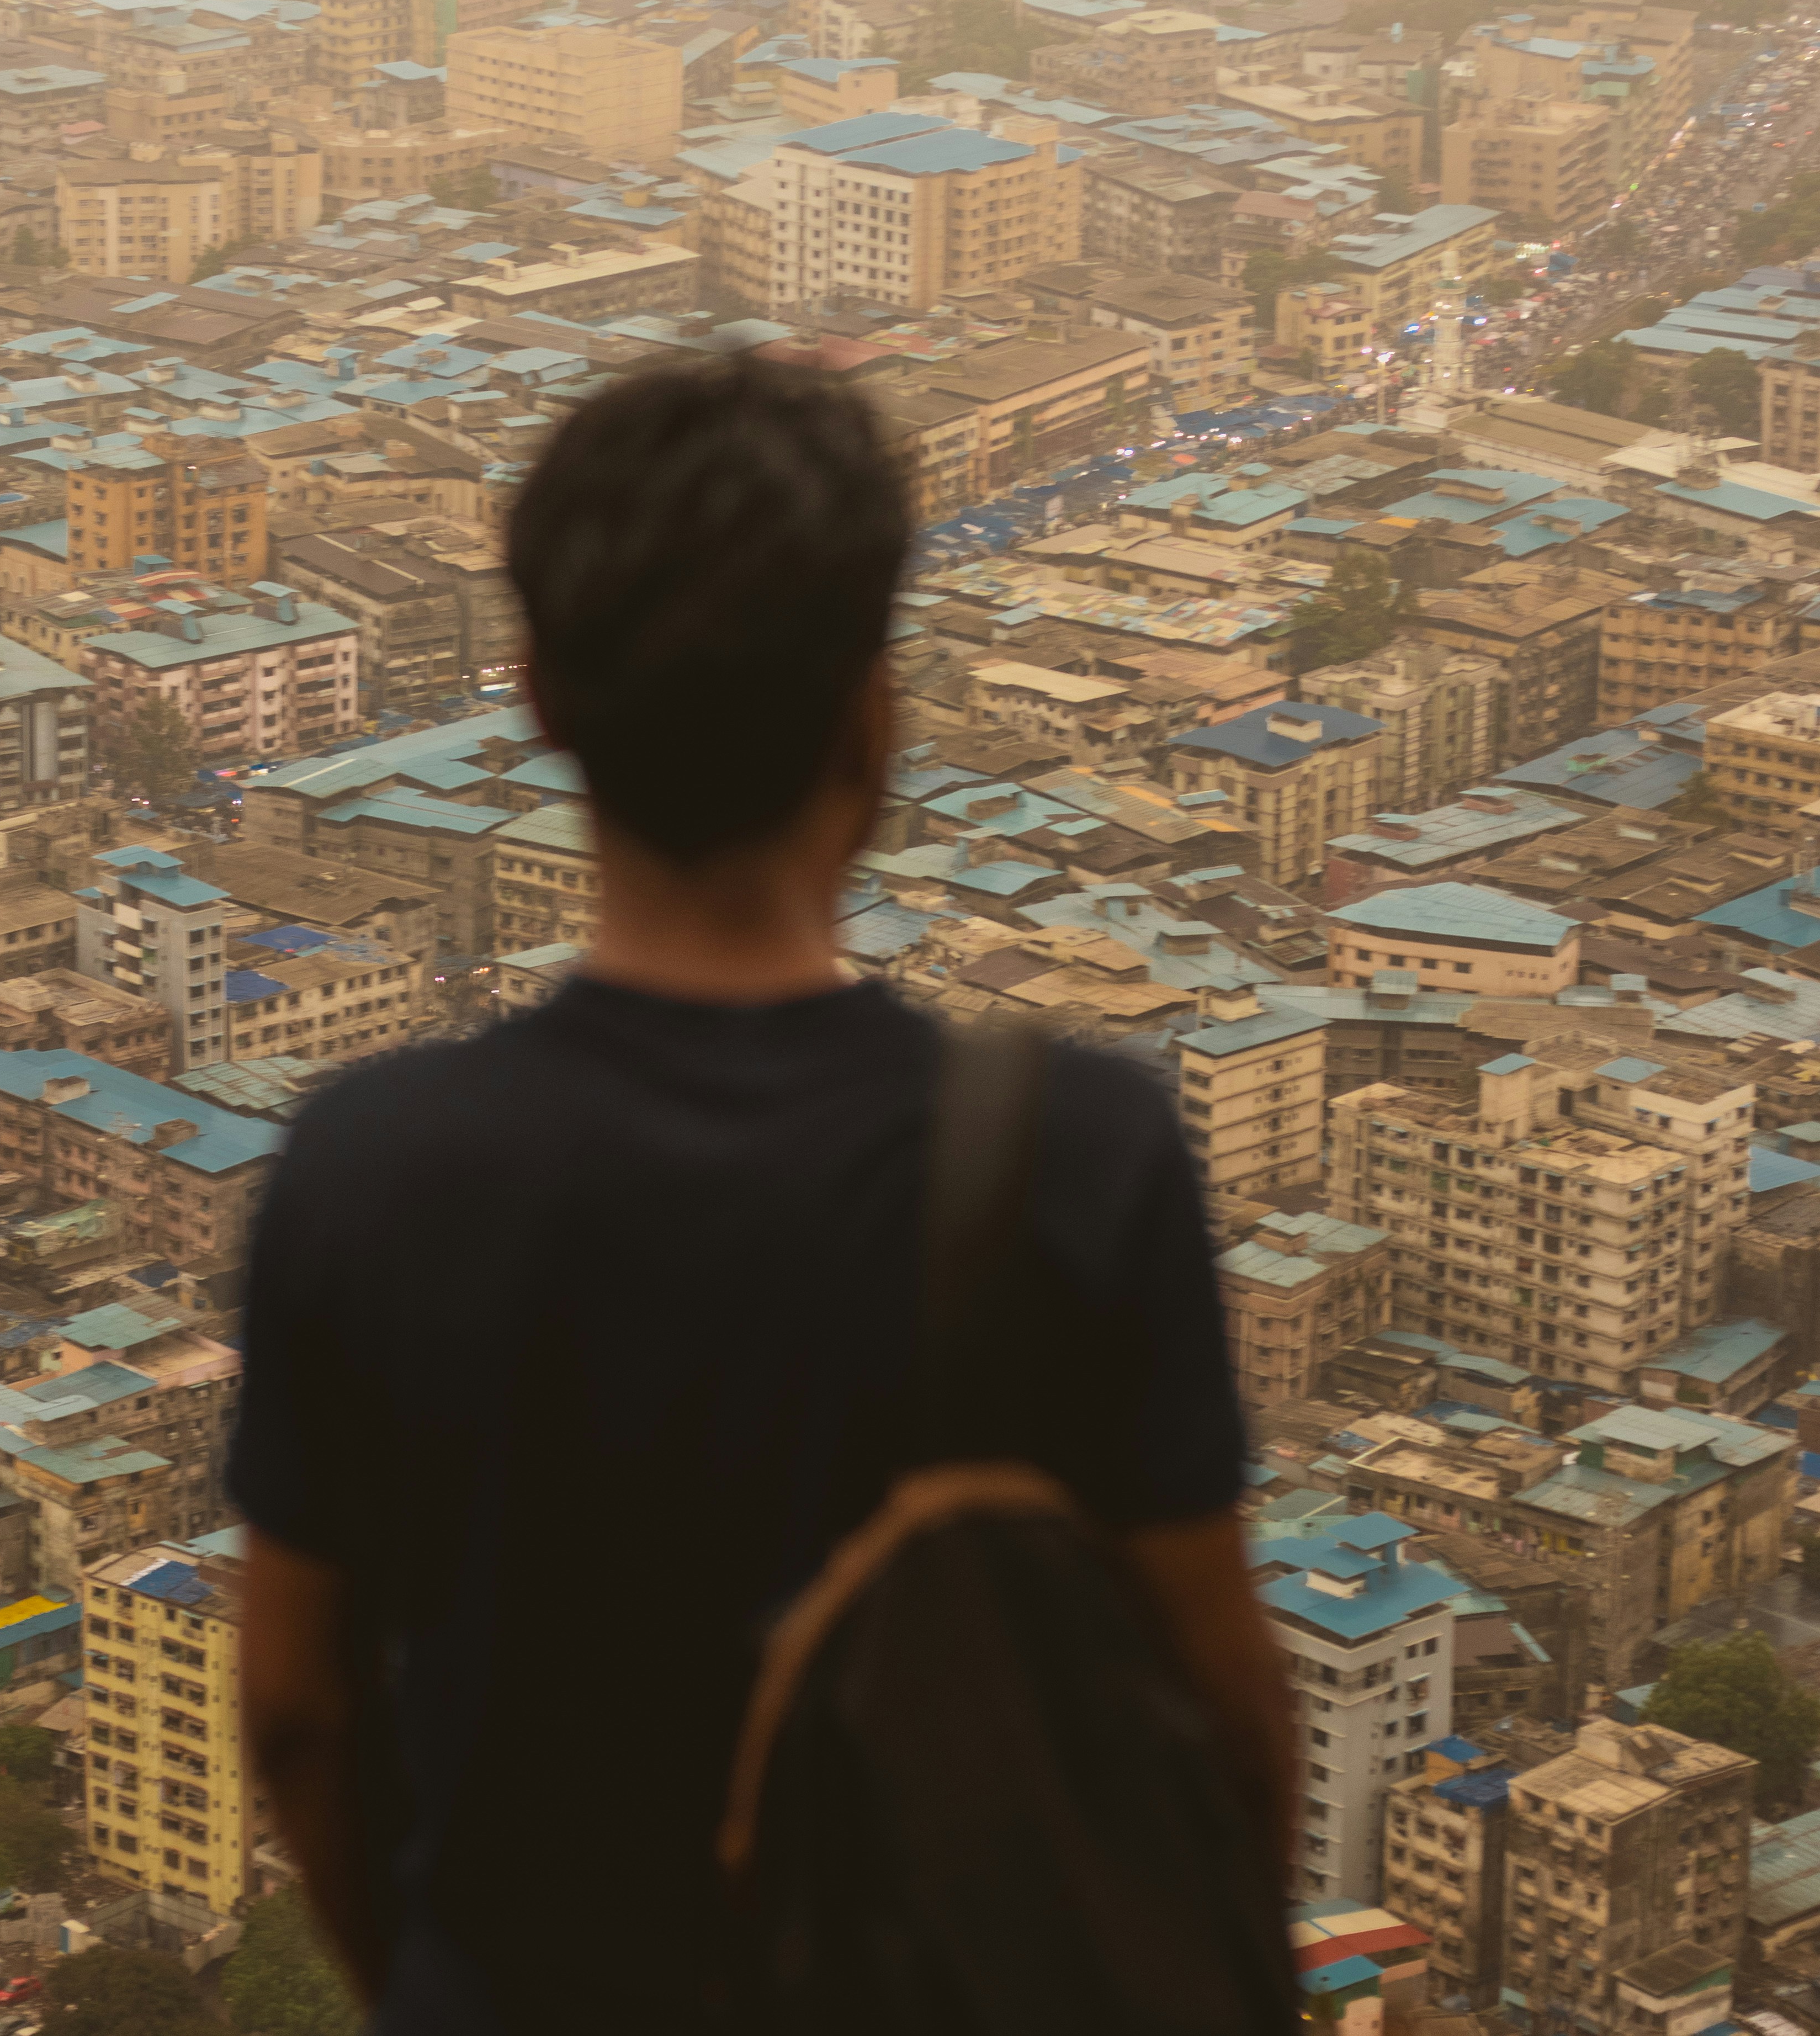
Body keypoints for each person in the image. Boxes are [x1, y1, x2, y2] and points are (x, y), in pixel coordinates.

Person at [231, 354, 1294, 2036]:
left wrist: (432, 1981)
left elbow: (297, 1702)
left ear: (539, 700)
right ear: (874, 707)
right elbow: (1224, 1697)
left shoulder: (370, 1165)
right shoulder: (1075, 1154)